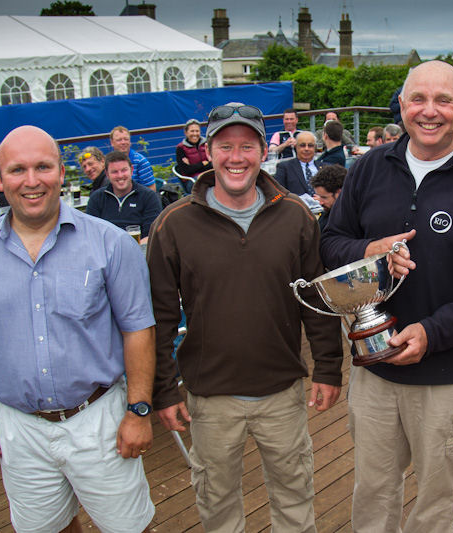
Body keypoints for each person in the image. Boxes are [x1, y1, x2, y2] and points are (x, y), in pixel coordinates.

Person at [320, 60, 453, 533]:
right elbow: (330, 245)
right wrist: (368, 251)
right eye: (418, 99)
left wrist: (432, 333)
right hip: (372, 367)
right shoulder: (369, 167)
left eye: (443, 100)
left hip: (449, 375)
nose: (429, 111)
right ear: (402, 104)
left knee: (435, 498)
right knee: (373, 489)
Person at [147, 102, 343, 532]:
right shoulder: (173, 224)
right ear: (210, 152)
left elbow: (316, 298)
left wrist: (329, 368)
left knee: (295, 501)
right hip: (210, 398)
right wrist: (163, 391)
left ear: (263, 151)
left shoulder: (295, 215)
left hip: (282, 393)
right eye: (225, 146)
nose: (236, 158)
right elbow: (160, 320)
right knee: (217, 510)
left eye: (247, 146)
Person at [0, 125, 156, 533]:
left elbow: (139, 330)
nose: (31, 181)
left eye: (43, 167)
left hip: (97, 419)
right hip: (19, 426)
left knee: (130, 529)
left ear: (62, 173)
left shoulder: (111, 244)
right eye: (17, 170)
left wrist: (138, 410)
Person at [87, 151, 162, 244]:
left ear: (132, 170)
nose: (120, 175)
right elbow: (91, 234)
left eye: (124, 170)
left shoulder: (148, 197)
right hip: (107, 254)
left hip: (139, 253)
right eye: (114, 172)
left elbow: (151, 235)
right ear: (107, 174)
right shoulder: (96, 198)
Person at [274, 131, 327, 196]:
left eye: (310, 146)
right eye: (302, 145)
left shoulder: (325, 168)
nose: (306, 149)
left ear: (315, 148)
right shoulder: (285, 167)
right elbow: (277, 194)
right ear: (296, 147)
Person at [109, 126, 156, 191]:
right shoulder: (109, 162)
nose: (123, 142)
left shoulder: (141, 162)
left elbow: (151, 189)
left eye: (126, 139)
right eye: (119, 140)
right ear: (112, 143)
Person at [310, 164, 346, 231]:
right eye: (319, 196)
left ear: (339, 193)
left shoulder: (351, 220)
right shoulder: (328, 213)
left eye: (324, 197)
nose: (320, 202)